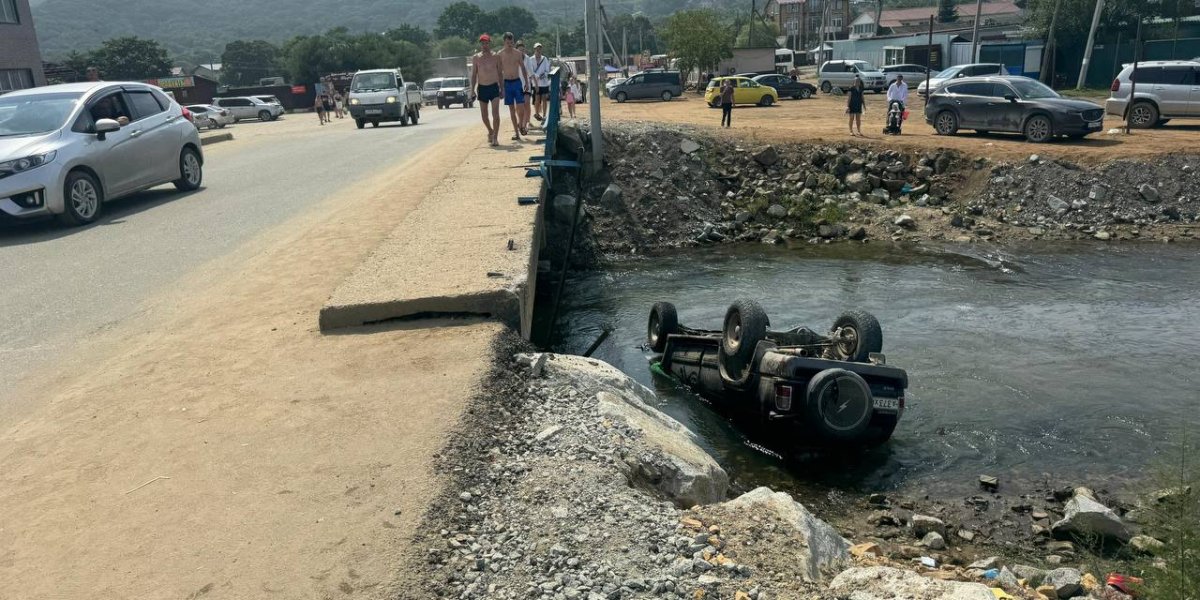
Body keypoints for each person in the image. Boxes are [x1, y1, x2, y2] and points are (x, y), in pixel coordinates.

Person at [470, 33, 505, 146]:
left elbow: (500, 74)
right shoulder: (476, 58)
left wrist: (502, 88)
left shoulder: (496, 56)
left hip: (494, 87)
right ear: (480, 44)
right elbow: (474, 75)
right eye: (482, 43)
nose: (485, 45)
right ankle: (490, 131)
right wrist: (472, 90)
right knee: (484, 116)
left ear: (489, 43)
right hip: (482, 88)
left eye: (486, 43)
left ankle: (495, 137)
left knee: (496, 114)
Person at [498, 32, 531, 142]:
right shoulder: (500, 54)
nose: (510, 45)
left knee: (521, 106)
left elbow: (523, 68)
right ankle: (516, 132)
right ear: (504, 42)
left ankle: (521, 125)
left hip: (517, 82)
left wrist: (526, 82)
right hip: (507, 83)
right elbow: (499, 71)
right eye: (508, 43)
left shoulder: (517, 53)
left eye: (512, 42)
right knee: (512, 109)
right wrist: (500, 87)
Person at [530, 43, 552, 123]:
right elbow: (530, 70)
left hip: (544, 82)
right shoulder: (531, 59)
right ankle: (537, 113)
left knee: (544, 99)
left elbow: (547, 70)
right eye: (537, 49)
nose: (538, 50)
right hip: (535, 82)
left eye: (539, 49)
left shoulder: (544, 59)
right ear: (534, 49)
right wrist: (537, 76)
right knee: (537, 98)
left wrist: (544, 75)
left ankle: (544, 115)